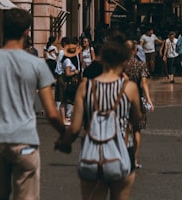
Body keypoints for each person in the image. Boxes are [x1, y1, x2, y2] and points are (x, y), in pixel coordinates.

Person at [0, 8, 65, 200]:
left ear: (2, 29)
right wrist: (65, 137)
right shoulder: (37, 65)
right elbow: (51, 112)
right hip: (25, 142)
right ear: (27, 31)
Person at [56, 32, 143, 200]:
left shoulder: (86, 87)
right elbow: (136, 119)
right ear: (125, 62)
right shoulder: (129, 88)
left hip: (93, 153)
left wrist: (64, 143)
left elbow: (74, 128)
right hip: (123, 151)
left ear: (102, 59)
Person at [122, 38, 152, 167]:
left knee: (124, 130)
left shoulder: (120, 66)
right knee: (137, 130)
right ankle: (134, 159)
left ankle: (123, 158)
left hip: (122, 99)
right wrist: (149, 100)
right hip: (137, 100)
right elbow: (144, 84)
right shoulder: (141, 65)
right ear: (135, 51)